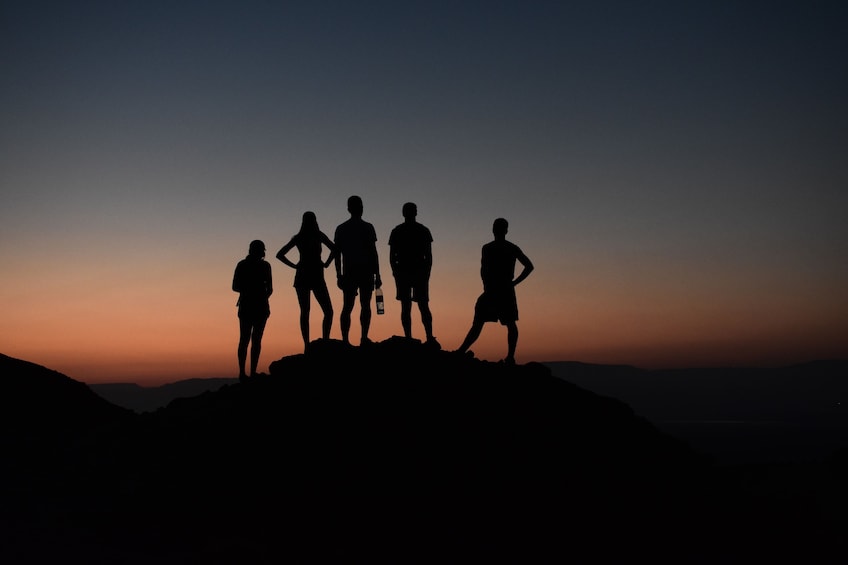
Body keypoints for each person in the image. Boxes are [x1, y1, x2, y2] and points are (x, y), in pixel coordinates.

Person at [455, 218, 534, 365]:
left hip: (498, 290)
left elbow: (529, 266)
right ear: (505, 230)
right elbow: (528, 266)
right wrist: (513, 283)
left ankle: (509, 356)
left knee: (495, 323)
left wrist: (513, 283)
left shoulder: (493, 248)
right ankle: (463, 350)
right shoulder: (503, 248)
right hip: (499, 290)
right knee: (499, 323)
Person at [276, 211, 336, 352]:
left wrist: (295, 266)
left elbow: (280, 254)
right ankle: (323, 340)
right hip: (314, 273)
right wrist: (326, 263)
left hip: (304, 274)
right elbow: (334, 249)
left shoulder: (299, 237)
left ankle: (308, 344)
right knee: (326, 310)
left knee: (306, 311)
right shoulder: (318, 235)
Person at [333, 195, 382, 345]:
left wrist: (339, 275)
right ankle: (360, 338)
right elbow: (373, 252)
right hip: (360, 272)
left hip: (353, 272)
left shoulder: (342, 228)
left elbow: (337, 255)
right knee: (360, 305)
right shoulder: (367, 227)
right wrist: (377, 274)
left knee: (350, 306)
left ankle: (350, 339)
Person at [388, 202, 438, 347]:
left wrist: (426, 272)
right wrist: (395, 271)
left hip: (414, 272)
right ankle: (419, 337)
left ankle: (423, 337)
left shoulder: (405, 231)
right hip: (410, 272)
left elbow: (428, 256)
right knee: (414, 305)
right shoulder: (418, 230)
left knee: (415, 305)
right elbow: (392, 256)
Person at [232, 239, 273, 381]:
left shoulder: (242, 265)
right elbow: (270, 289)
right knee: (254, 340)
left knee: (245, 339)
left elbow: (235, 286)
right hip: (258, 306)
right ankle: (249, 372)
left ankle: (244, 373)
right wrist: (259, 293)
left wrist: (248, 291)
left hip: (248, 305)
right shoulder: (265, 266)